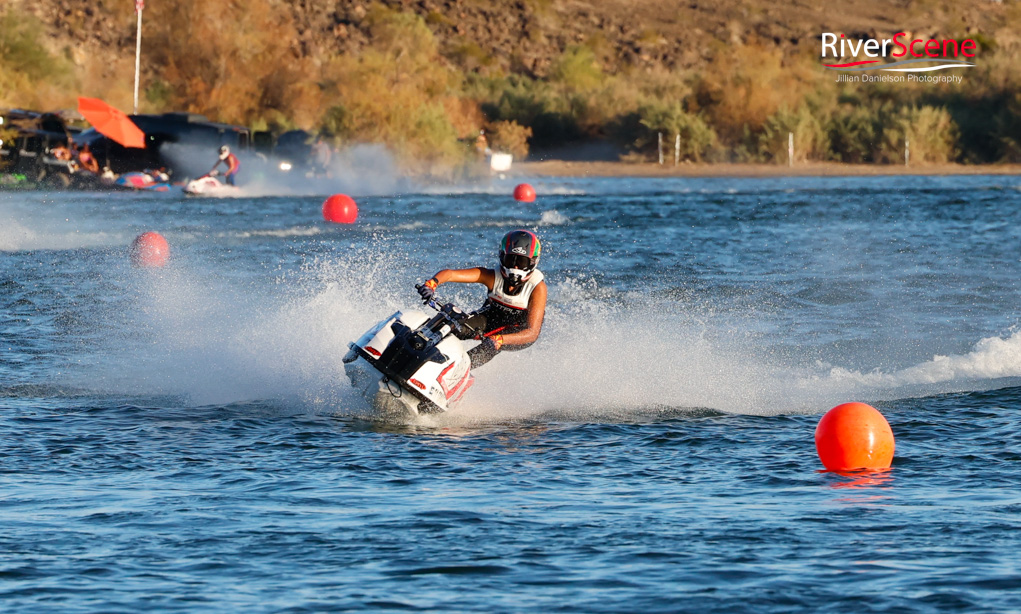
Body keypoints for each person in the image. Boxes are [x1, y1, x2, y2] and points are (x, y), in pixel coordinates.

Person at [417, 229, 547, 369]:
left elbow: (532, 333)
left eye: (521, 262)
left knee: (492, 344)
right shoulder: (491, 276)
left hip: (518, 333)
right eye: (511, 259)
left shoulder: (537, 288)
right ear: (502, 257)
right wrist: (432, 284)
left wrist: (500, 339)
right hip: (490, 318)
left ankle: (459, 371)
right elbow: (450, 274)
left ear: (533, 263)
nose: (515, 266)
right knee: (451, 319)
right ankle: (416, 346)